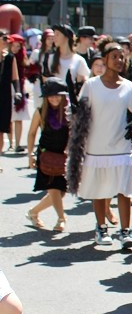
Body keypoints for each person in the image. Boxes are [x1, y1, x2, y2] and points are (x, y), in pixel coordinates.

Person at [67, 42, 132, 247]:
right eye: (114, 56)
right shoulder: (91, 85)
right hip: (96, 146)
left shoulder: (129, 87)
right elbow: (79, 115)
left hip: (121, 146)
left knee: (124, 190)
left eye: (122, 57)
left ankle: (126, 231)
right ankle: (101, 228)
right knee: (99, 189)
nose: (119, 60)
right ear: (105, 59)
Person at [25, 77, 71, 232]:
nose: (54, 98)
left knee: (61, 192)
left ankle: (33, 212)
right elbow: (31, 133)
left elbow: (73, 134)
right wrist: (30, 154)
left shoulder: (68, 112)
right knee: (53, 188)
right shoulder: (40, 112)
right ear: (45, 97)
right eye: (51, 95)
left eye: (58, 94)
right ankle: (61, 218)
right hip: (46, 154)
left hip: (62, 155)